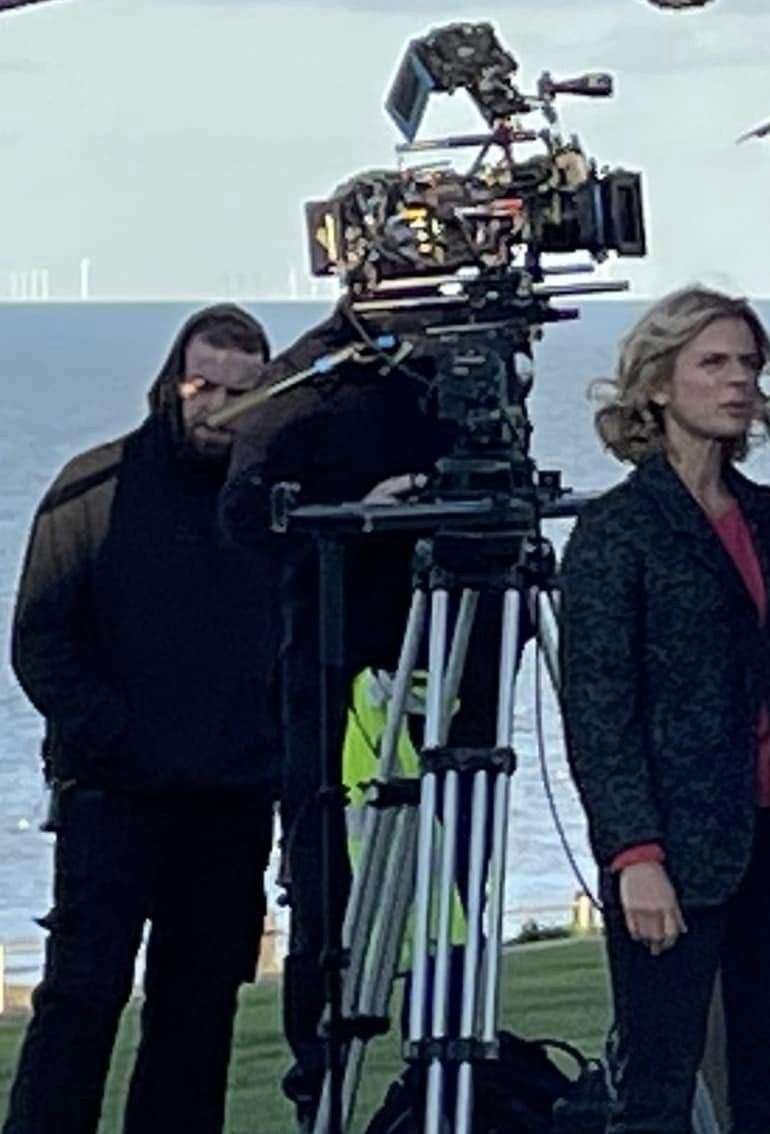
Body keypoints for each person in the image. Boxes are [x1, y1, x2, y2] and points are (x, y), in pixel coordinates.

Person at [558, 286, 770, 1134]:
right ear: (657, 384)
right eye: (713, 363)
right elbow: (598, 710)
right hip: (674, 844)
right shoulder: (616, 530)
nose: (739, 382)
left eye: (749, 364)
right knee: (656, 1092)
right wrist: (634, 853)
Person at [5, 305, 281, 1134]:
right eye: (203, 385)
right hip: (114, 796)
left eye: (241, 390)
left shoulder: (271, 503)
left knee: (197, 1018)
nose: (218, 406)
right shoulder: (93, 486)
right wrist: (115, 738)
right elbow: (41, 642)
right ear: (172, 382)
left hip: (231, 804)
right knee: (80, 1002)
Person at [217, 305, 472, 1129]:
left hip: (451, 664)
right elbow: (247, 521)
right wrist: (359, 510)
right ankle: (322, 1092)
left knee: (457, 887)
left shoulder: (450, 369)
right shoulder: (306, 383)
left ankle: (461, 1080)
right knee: (331, 898)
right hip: (338, 678)